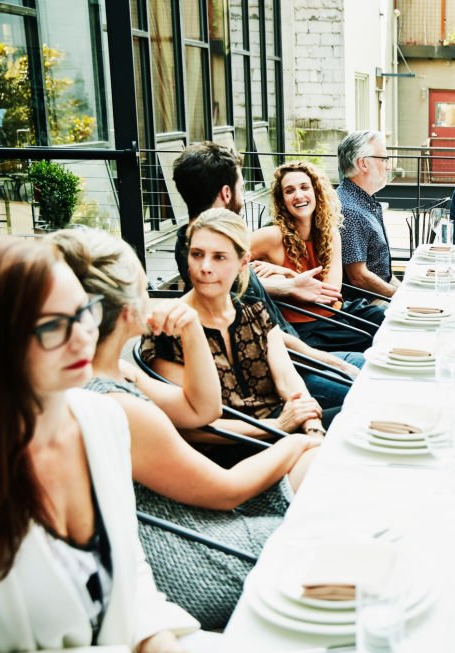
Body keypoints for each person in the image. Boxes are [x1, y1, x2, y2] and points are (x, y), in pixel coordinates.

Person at [51, 227, 319, 629]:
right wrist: (292, 441)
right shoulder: (114, 404)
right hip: (192, 556)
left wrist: (192, 331)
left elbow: (200, 409)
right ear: (127, 310)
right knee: (325, 487)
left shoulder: (113, 371)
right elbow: (225, 491)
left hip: (195, 518)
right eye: (145, 288)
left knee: (321, 466)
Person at [0, 236, 204, 653]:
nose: (83, 335)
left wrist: (155, 635)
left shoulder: (102, 421)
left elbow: (129, 568)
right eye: (52, 326)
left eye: (84, 311)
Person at [171, 142, 363, 407]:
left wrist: (285, 283)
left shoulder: (208, 246)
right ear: (226, 193)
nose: (244, 194)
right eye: (241, 186)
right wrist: (332, 362)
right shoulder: (213, 262)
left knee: (387, 371)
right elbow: (267, 339)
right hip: (287, 374)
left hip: (298, 358)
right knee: (379, 391)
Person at [143, 208, 327, 459]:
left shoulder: (254, 311)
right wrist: (279, 427)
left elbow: (289, 381)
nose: (205, 267)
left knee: (359, 420)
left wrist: (313, 428)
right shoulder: (169, 325)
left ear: (243, 263)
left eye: (219, 257)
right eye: (197, 254)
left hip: (281, 427)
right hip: (224, 449)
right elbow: (190, 428)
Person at [251, 160, 386, 353]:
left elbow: (329, 292)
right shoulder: (271, 236)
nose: (298, 195)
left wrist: (284, 273)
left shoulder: (330, 233)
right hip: (306, 328)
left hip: (338, 312)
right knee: (378, 341)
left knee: (388, 319)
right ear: (282, 200)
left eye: (304, 187)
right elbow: (226, 262)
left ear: (316, 192)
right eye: (289, 191)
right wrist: (281, 279)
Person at [337, 130, 400, 298]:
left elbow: (382, 271)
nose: (388, 165)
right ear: (363, 164)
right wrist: (400, 297)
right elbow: (359, 277)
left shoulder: (364, 201)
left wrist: (404, 292)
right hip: (366, 305)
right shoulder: (349, 210)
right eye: (384, 159)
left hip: (379, 295)